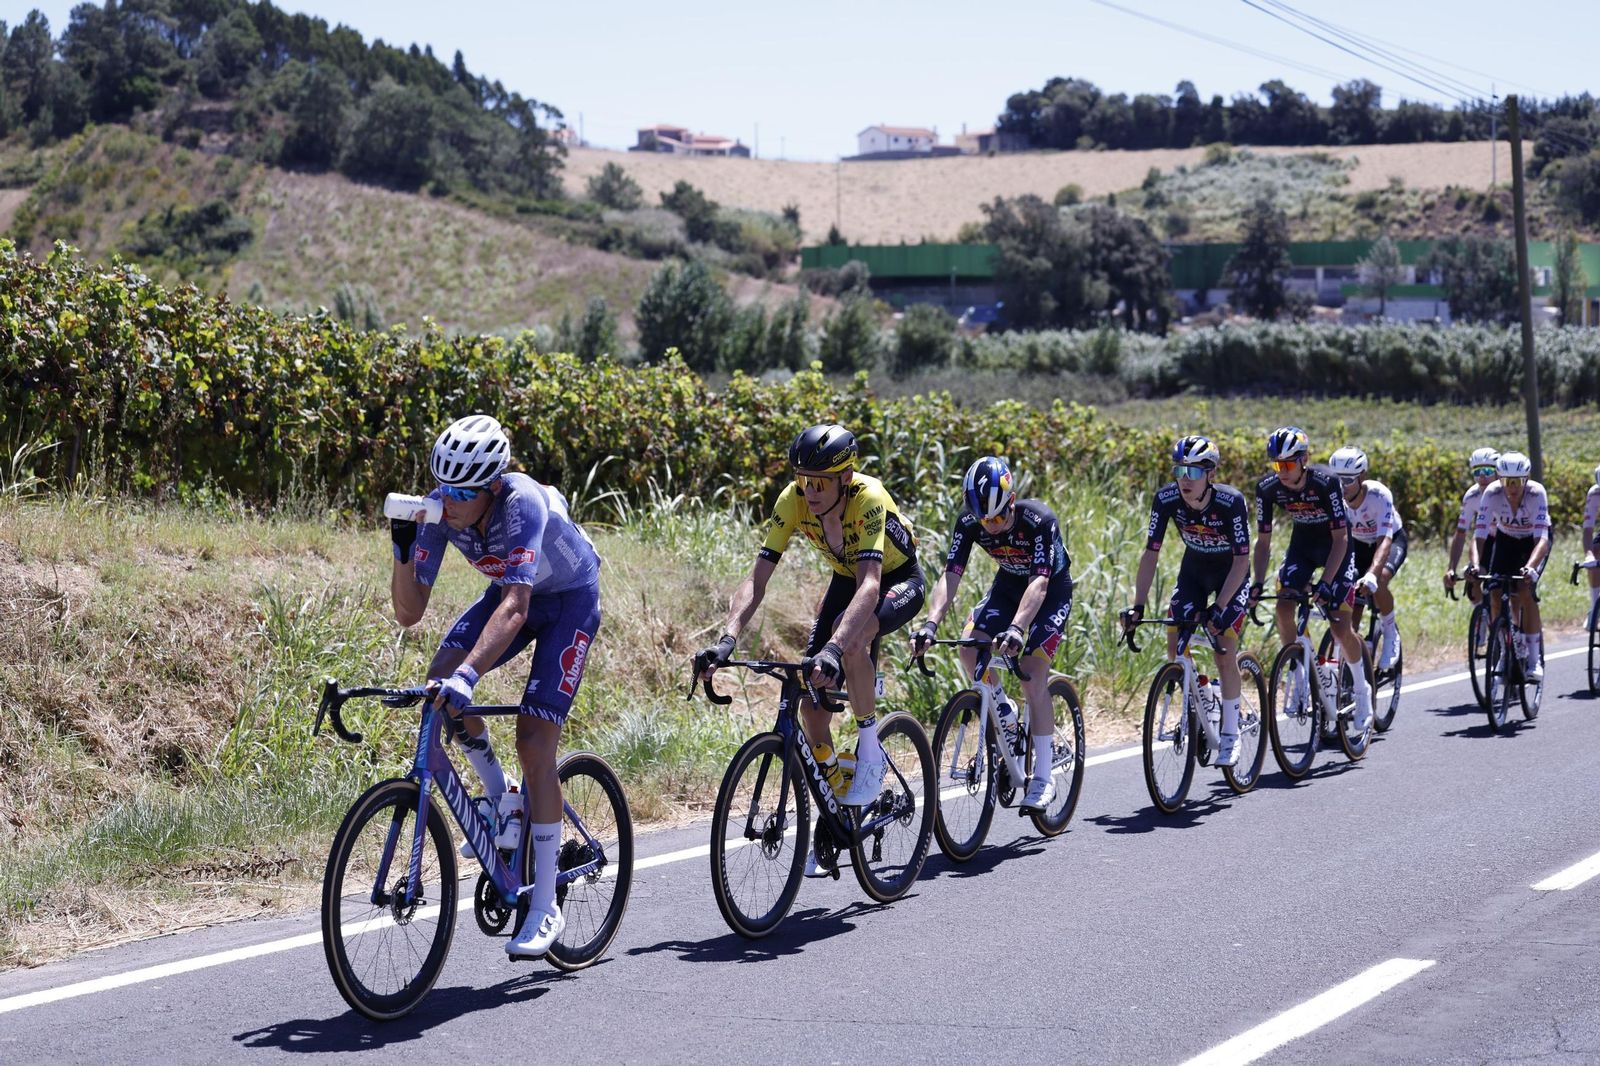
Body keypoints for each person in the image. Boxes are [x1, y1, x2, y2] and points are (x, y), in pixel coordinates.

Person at [389, 414, 603, 957]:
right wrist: (401, 545)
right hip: (512, 594)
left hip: (566, 602)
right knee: (438, 684)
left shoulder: (522, 503)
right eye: (443, 484)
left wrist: (470, 675)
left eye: (463, 490)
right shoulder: (440, 513)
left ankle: (544, 903)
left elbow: (516, 605)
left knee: (534, 742)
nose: (449, 499)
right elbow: (410, 612)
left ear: (492, 484)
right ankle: (501, 797)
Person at [694, 424, 924, 875]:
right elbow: (756, 579)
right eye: (803, 479)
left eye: (820, 481)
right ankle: (838, 812)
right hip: (846, 578)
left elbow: (872, 585)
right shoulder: (792, 500)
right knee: (811, 708)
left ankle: (870, 750)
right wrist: (726, 639)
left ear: (845, 477)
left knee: (849, 635)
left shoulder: (868, 498)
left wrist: (837, 649)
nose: (810, 490)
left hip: (897, 580)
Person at [910, 456, 1072, 807]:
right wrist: (929, 623)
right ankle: (1005, 715)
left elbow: (1040, 582)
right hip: (1009, 585)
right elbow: (951, 575)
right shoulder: (970, 522)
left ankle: (1043, 778)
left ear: (1011, 502)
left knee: (1032, 676)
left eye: (998, 517)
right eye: (984, 519)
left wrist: (1016, 628)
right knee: (969, 649)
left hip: (1049, 590)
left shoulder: (1039, 520)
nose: (991, 526)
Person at [1119, 435, 1252, 766]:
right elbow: (1151, 554)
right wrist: (1138, 605)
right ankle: (1204, 695)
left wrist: (1220, 607)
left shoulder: (1230, 502)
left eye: (1192, 473)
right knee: (1176, 649)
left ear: (1210, 474)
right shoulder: (1165, 499)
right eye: (1179, 470)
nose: (1183, 480)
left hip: (1230, 576)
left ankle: (1231, 735)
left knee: (1224, 649)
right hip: (1194, 571)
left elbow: (1241, 561)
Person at [1249, 426, 1372, 732]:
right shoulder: (1267, 488)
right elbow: (1263, 542)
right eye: (1277, 465)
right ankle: (1298, 668)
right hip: (1302, 546)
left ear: (1304, 460)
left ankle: (1361, 689)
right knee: (1283, 606)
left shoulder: (1326, 482)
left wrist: (1327, 583)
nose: (1282, 472)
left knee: (1341, 627)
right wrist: (1256, 583)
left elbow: (1341, 538)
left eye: (1288, 464)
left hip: (1335, 547)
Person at [1472, 451, 1551, 683]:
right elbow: (1479, 535)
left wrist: (1530, 568)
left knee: (1525, 590)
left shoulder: (1537, 494)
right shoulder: (1492, 493)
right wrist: (1476, 564)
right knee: (1494, 592)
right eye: (1507, 481)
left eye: (1517, 482)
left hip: (1533, 543)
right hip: (1506, 541)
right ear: (1499, 478)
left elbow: (1542, 540)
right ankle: (1505, 651)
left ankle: (1534, 659)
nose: (1512, 487)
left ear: (1526, 480)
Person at [1328, 446, 1408, 670]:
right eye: (1337, 480)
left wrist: (1372, 574)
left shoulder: (1379, 495)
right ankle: (1350, 670)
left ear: (1362, 476)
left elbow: (1385, 540)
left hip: (1389, 541)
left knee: (1379, 579)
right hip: (1358, 545)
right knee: (1349, 614)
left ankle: (1390, 633)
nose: (1342, 487)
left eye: (1348, 480)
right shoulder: (1333, 497)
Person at [1444, 447, 1500, 603]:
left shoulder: (1507, 492)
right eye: (1477, 471)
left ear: (1498, 471)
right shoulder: (1472, 496)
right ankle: (1481, 621)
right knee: (1473, 577)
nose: (1482, 476)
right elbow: (1461, 533)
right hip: (1486, 538)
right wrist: (1451, 568)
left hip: (1509, 538)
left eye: (1488, 471)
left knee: (1509, 586)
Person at [1583, 464, 1600, 619]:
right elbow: (1588, 529)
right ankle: (1595, 610)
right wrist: (1589, 556)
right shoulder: (1595, 493)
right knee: (1595, 551)